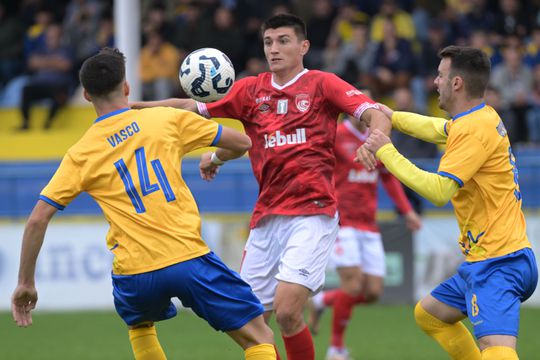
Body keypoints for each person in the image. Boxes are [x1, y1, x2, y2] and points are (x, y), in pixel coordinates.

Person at [132, 14, 390, 360]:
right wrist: (132, 110)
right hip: (266, 219)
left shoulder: (322, 84)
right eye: (269, 42)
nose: (274, 49)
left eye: (283, 41)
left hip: (312, 214)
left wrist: (375, 138)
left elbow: (377, 113)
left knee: (287, 311)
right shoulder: (250, 90)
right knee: (249, 324)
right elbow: (188, 109)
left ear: (304, 46)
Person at [11, 48, 277, 360]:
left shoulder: (80, 153)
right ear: (126, 88)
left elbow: (37, 219)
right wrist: (214, 159)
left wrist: (26, 282)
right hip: (186, 256)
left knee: (139, 325)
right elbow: (242, 143)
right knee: (260, 337)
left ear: (85, 95)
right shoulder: (164, 119)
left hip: (134, 273)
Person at [357, 45, 538, 360]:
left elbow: (439, 191)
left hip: (499, 262)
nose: (434, 82)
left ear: (457, 83)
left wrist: (385, 150)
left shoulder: (472, 129)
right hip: (491, 259)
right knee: (430, 314)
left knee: (497, 352)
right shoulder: (478, 117)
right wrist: (393, 117)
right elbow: (436, 128)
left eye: (440, 76)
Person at [307, 114, 422, 360]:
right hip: (342, 221)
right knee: (353, 284)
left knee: (373, 292)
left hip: (368, 224)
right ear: (351, 112)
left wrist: (408, 211)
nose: (369, 115)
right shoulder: (337, 134)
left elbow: (388, 179)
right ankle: (336, 348)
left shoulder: (377, 138)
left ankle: (323, 301)